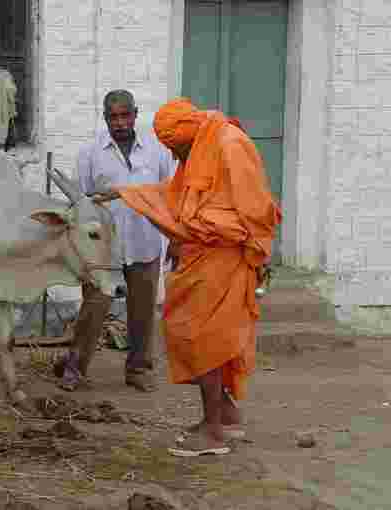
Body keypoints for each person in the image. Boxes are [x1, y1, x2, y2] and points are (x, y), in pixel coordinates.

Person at [95, 97, 281, 456]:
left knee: (203, 338)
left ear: (188, 134)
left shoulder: (229, 144)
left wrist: (254, 253)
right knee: (201, 335)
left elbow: (255, 209)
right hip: (203, 257)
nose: (176, 157)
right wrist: (125, 193)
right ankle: (225, 415)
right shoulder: (199, 146)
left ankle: (212, 431)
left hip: (223, 259)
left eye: (177, 148)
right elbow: (178, 195)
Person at [53, 89, 177, 393]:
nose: (120, 122)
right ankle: (75, 367)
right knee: (95, 305)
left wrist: (175, 236)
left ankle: (138, 369)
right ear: (105, 118)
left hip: (145, 241)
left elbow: (169, 193)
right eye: (113, 116)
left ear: (135, 114)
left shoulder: (156, 151)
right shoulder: (90, 154)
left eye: (125, 115)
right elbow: (79, 205)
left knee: (143, 310)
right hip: (104, 250)